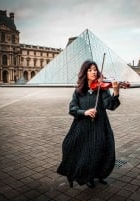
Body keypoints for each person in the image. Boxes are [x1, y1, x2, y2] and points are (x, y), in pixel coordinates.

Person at [57, 60, 120, 188]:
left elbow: (110, 105)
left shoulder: (102, 89)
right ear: (85, 72)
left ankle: (99, 174)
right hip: (83, 126)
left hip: (100, 125)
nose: (93, 72)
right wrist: (84, 112)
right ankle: (88, 176)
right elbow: (72, 108)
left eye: (95, 69)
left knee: (102, 149)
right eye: (90, 70)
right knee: (86, 151)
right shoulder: (79, 90)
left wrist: (116, 92)